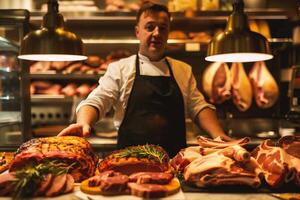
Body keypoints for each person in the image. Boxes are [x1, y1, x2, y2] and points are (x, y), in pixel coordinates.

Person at [58, 2, 231, 157]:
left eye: (162, 28)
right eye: (150, 27)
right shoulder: (120, 68)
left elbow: (198, 107)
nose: (156, 33)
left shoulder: (182, 69)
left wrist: (218, 133)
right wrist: (83, 122)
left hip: (174, 163)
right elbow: (98, 100)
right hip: (128, 161)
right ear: (137, 32)